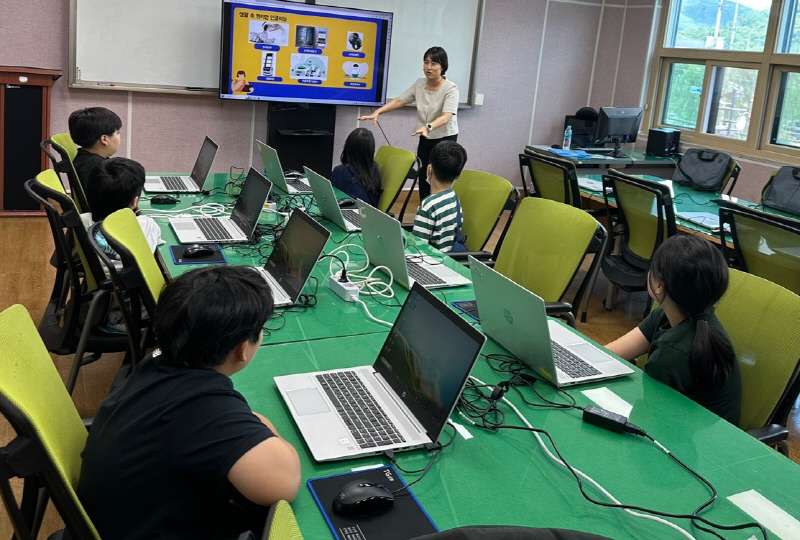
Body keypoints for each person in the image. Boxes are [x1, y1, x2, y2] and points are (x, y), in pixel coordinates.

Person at [78, 265, 302, 539]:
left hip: (124, 517)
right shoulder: (205, 410)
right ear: (243, 348)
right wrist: (260, 424)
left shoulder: (158, 360)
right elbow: (281, 484)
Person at [605, 235, 742, 425]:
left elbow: (648, 421)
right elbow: (608, 355)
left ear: (659, 285)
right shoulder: (674, 316)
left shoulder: (672, 353)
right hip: (676, 427)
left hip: (690, 446)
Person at [358, 46, 458, 200]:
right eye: (426, 62)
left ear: (443, 66)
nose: (428, 67)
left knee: (439, 180)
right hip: (425, 137)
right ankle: (424, 211)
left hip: (445, 139)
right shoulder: (420, 84)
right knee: (424, 178)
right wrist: (378, 112)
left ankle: (439, 213)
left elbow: (446, 116)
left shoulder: (450, 88)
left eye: (434, 64)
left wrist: (428, 126)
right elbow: (400, 100)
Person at [84, 157, 162, 260]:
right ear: (135, 201)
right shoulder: (147, 225)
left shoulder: (80, 221)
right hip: (132, 276)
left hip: (94, 274)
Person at [411, 140, 467, 252]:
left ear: (429, 169)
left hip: (431, 263)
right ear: (459, 175)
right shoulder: (454, 198)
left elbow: (416, 248)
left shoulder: (428, 205)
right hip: (448, 260)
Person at [68, 106, 122, 187]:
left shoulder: (85, 159)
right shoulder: (96, 167)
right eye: (117, 132)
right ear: (104, 139)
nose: (119, 137)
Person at [331, 127, 382, 207]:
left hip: (350, 212)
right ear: (371, 149)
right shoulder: (374, 168)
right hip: (370, 213)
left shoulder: (340, 171)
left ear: (347, 146)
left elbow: (332, 196)